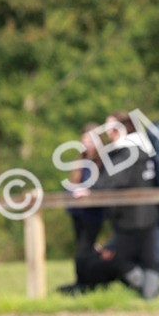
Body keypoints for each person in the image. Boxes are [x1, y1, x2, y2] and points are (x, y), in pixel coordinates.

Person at [74, 113, 159, 299]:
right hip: (148, 214)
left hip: (131, 218)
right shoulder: (143, 149)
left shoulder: (128, 151)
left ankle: (150, 295)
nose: (108, 133)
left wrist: (91, 189)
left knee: (118, 259)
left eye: (111, 129)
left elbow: (114, 178)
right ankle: (151, 297)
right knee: (148, 260)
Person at [57, 122, 105, 296]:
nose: (87, 142)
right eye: (85, 138)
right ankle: (84, 282)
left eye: (91, 138)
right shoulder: (82, 163)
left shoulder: (103, 163)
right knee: (83, 249)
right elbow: (72, 184)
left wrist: (89, 192)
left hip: (93, 214)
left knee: (84, 250)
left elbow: (102, 186)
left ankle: (83, 284)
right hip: (78, 213)